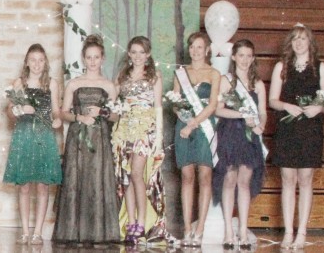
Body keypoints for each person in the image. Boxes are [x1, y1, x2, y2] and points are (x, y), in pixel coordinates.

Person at [268, 24, 324, 249]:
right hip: (287, 128)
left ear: (310, 42)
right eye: (295, 38)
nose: (299, 42)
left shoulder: (321, 68)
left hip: (310, 130)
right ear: (290, 43)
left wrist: (318, 108)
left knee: (305, 179)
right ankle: (287, 232)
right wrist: (286, 105)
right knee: (287, 179)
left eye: (303, 38)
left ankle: (302, 232)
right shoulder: (281, 67)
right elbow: (272, 100)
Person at [53, 35, 120, 245]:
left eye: (96, 57)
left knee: (97, 181)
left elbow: (117, 116)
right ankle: (74, 232)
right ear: (83, 58)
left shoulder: (109, 85)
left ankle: (97, 233)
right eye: (89, 57)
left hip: (100, 139)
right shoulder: (74, 83)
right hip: (78, 138)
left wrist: (103, 112)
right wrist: (79, 117)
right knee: (77, 180)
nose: (92, 61)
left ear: (103, 58)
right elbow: (63, 113)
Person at [110, 36, 166, 245]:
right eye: (133, 52)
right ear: (129, 54)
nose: (137, 56)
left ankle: (142, 222)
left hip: (145, 129)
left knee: (136, 173)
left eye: (141, 52)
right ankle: (131, 222)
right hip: (125, 129)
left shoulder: (154, 76)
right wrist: (112, 109)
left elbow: (158, 107)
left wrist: (158, 139)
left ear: (148, 54)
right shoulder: (122, 76)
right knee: (127, 177)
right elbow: (113, 100)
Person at [4, 44, 62, 246]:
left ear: (45, 62)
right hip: (24, 135)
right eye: (33, 60)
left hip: (44, 136)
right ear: (26, 62)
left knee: (43, 186)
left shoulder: (51, 84)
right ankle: (25, 231)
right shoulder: (18, 83)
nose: (37, 64)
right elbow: (10, 112)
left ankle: (38, 231)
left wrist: (57, 119)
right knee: (24, 186)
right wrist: (22, 110)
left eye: (40, 60)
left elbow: (56, 109)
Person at [213, 39, 267, 250]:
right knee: (229, 179)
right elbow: (218, 109)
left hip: (249, 137)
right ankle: (228, 231)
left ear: (253, 58)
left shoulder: (259, 84)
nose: (244, 60)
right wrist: (241, 114)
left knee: (244, 182)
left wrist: (261, 124)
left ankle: (243, 231)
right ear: (234, 57)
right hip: (230, 133)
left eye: (248, 56)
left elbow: (262, 112)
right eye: (241, 55)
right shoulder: (226, 81)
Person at [172, 32, 220, 247]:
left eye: (200, 47)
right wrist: (184, 119)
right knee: (187, 175)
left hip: (204, 127)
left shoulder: (214, 73)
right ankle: (188, 229)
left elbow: (212, 105)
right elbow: (174, 101)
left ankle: (200, 229)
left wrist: (193, 123)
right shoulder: (180, 73)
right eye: (192, 46)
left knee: (205, 176)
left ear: (207, 50)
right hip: (183, 126)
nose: (195, 50)